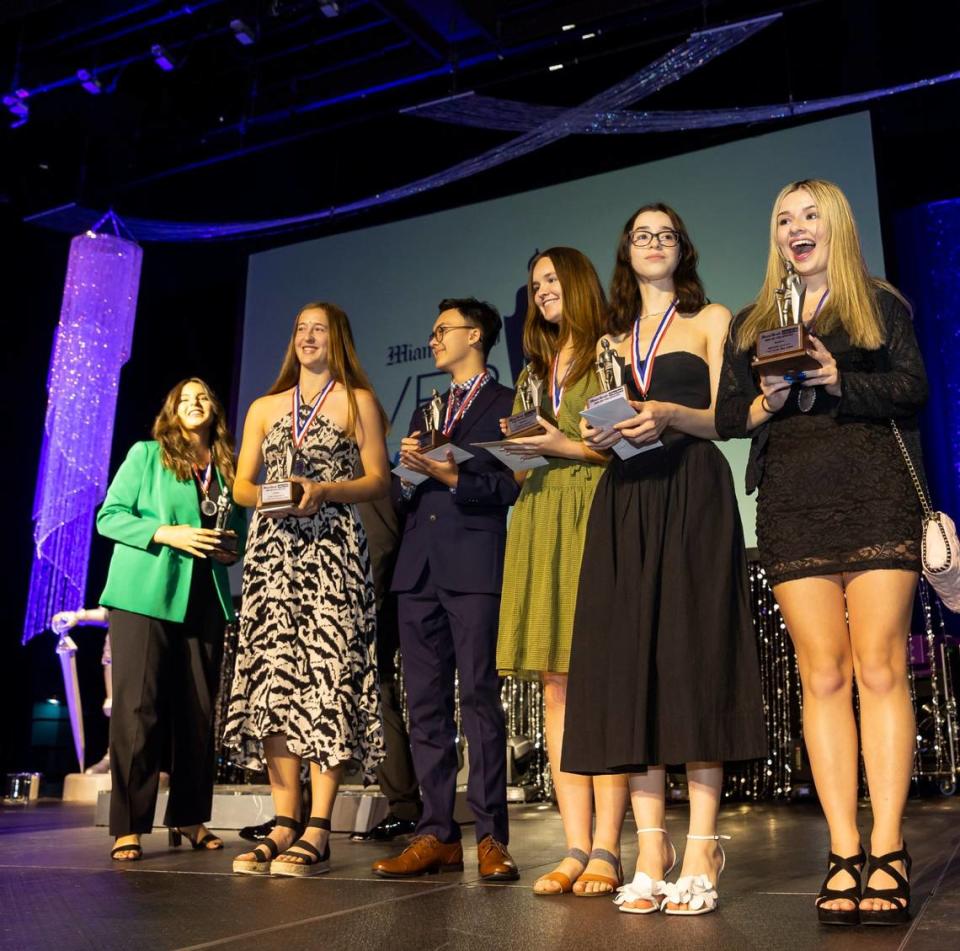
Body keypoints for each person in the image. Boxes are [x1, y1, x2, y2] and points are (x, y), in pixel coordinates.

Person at [715, 179, 928, 926]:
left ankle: (891, 847)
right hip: (793, 504)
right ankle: (844, 851)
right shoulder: (751, 322)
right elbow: (724, 414)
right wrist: (765, 402)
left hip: (874, 494)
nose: (795, 229)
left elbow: (914, 388)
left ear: (834, 225)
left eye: (809, 216)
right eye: (782, 219)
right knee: (825, 673)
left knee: (879, 665)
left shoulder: (878, 303)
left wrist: (841, 380)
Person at [561, 203, 767, 916]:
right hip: (627, 498)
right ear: (628, 251)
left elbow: (729, 416)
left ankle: (704, 840)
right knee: (635, 666)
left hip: (692, 492)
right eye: (642, 234)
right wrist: (596, 429)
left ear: (683, 250)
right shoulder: (613, 340)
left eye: (666, 234)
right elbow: (599, 435)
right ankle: (651, 845)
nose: (654, 242)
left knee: (691, 659)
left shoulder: (713, 321)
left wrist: (672, 415)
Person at [224, 301, 389, 877]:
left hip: (332, 555)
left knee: (325, 679)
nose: (307, 336)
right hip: (271, 561)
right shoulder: (265, 407)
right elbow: (241, 486)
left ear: (337, 338)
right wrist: (272, 494)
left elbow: (377, 479)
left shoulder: (357, 400)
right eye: (300, 328)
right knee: (273, 686)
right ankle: (282, 821)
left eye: (318, 329)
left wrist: (322, 488)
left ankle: (319, 826)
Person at [495, 248, 629, 896]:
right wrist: (521, 450)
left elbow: (623, 447)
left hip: (593, 510)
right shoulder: (533, 371)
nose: (542, 291)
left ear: (575, 282)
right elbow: (524, 468)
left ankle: (609, 844)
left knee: (598, 682)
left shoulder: (608, 349)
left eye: (551, 280)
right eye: (534, 284)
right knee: (556, 687)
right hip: (542, 513)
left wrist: (559, 445)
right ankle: (574, 844)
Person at [372, 298, 521, 882]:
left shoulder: (508, 404)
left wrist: (452, 474)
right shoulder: (426, 407)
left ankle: (490, 836)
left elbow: (510, 485)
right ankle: (436, 832)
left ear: (475, 334)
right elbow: (406, 494)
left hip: (474, 566)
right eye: (432, 332)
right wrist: (406, 473)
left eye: (442, 331)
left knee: (480, 700)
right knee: (425, 705)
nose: (433, 340)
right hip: (418, 572)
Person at [96, 377, 246, 861]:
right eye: (184, 398)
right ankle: (129, 825)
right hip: (145, 594)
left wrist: (229, 550)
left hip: (205, 595)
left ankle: (189, 817)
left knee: (199, 713)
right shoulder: (147, 454)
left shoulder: (226, 467)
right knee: (139, 710)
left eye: (202, 397)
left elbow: (235, 531)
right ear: (172, 410)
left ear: (214, 410)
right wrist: (165, 532)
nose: (194, 403)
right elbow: (110, 516)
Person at [351, 493, 423, 841]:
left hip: (363, 601)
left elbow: (379, 544)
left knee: (375, 690)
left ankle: (405, 806)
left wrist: (364, 602)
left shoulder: (370, 476)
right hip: (341, 597)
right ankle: (294, 813)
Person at [51, 606, 112, 774]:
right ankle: (113, 755)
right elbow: (108, 613)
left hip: (145, 642)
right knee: (114, 708)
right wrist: (77, 616)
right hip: (115, 654)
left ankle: (138, 759)